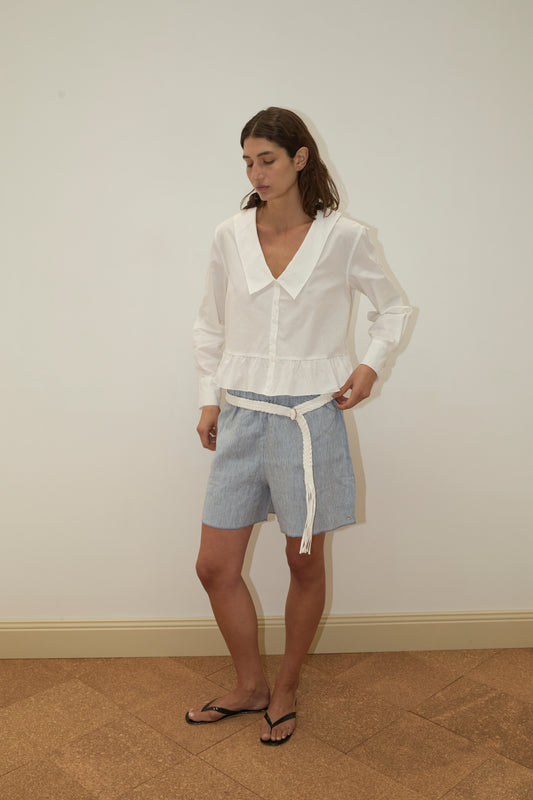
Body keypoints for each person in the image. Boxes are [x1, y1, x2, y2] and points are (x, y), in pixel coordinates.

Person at [188, 107, 411, 745]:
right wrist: (210, 397)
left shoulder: (346, 237)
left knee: (302, 561)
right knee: (213, 565)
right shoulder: (229, 235)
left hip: (310, 420)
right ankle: (248, 683)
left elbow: (392, 309)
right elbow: (208, 321)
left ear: (301, 158)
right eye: (249, 161)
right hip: (241, 416)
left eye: (269, 159)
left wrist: (369, 367)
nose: (257, 173)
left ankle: (284, 687)